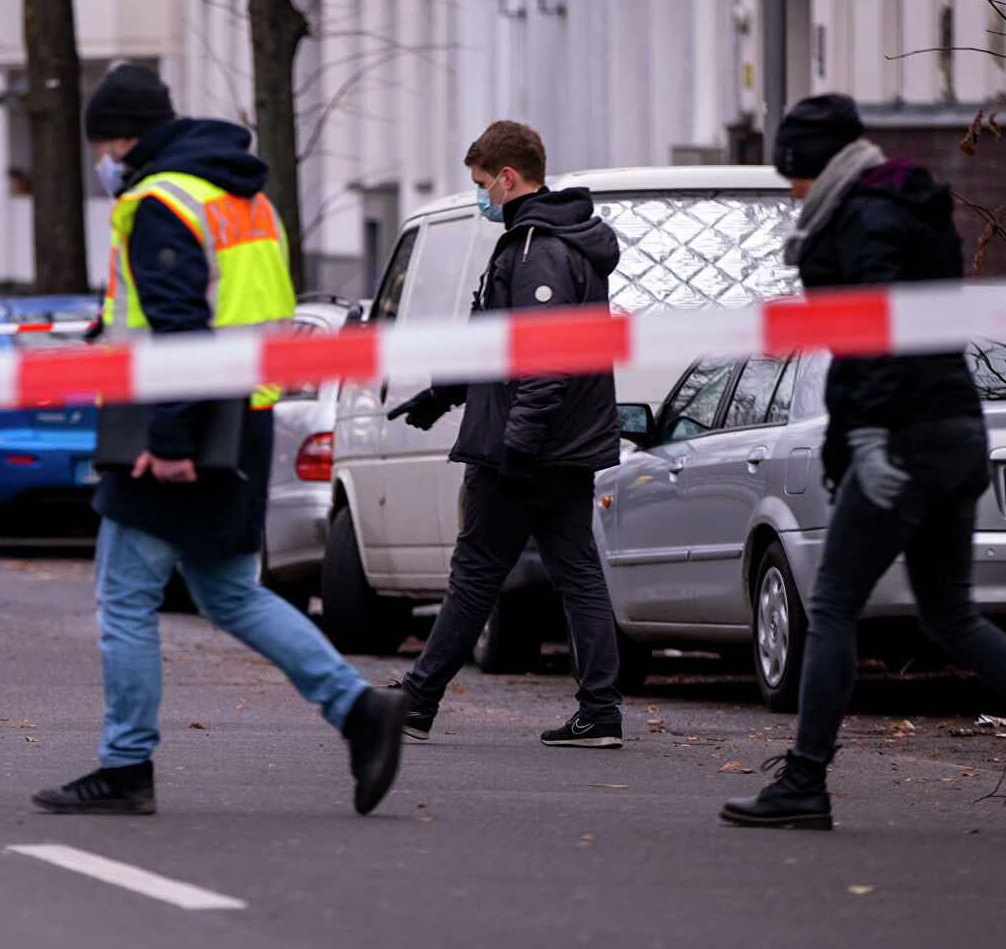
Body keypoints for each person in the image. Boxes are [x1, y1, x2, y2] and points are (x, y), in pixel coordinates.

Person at [722, 94, 1006, 835]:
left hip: (904, 437)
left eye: (792, 174)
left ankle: (805, 782)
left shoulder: (866, 218)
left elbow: (877, 330)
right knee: (949, 615)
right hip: (954, 430)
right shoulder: (904, 203)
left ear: (811, 165)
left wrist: (869, 435)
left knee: (835, 604)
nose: (790, 190)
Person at [32, 63, 407, 816]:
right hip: (243, 422)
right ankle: (359, 710)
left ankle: (126, 767)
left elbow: (179, 328)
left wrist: (168, 440)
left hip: (175, 430)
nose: (101, 161)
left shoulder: (160, 201)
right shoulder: (245, 196)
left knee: (125, 599)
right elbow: (237, 308)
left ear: (121, 138)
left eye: (101, 145)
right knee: (231, 592)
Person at [383, 121, 626, 748]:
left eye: (481, 184)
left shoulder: (537, 248)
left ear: (508, 177)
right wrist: (442, 393)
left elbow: (542, 363)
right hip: (563, 448)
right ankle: (600, 712)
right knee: (577, 573)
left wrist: (516, 447)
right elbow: (496, 342)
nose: (480, 196)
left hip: (525, 449)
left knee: (476, 573)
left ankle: (417, 700)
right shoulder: (546, 242)